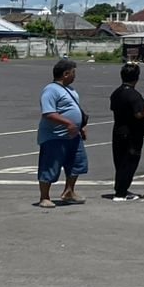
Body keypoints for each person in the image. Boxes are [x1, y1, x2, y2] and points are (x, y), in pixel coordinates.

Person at [37, 58, 88, 209]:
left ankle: (69, 192)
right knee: (50, 165)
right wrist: (68, 123)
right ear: (65, 74)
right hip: (55, 136)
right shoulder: (50, 90)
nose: (74, 75)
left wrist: (80, 126)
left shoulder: (70, 90)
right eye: (73, 72)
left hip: (73, 135)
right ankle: (44, 197)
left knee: (77, 163)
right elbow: (48, 113)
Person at [109, 63, 144, 201]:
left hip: (118, 131)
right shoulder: (133, 94)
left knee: (120, 162)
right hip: (131, 134)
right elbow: (140, 113)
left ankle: (121, 189)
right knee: (130, 162)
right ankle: (120, 193)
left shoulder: (117, 93)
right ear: (136, 78)